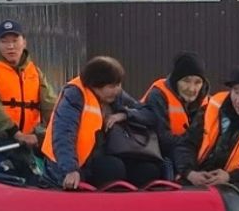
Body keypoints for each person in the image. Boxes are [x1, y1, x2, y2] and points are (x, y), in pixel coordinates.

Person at [42, 56, 162, 190]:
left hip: (102, 155)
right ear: (95, 85)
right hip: (68, 164)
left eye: (119, 85)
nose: (117, 90)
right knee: (113, 169)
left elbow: (149, 115)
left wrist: (125, 115)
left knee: (148, 170)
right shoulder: (75, 95)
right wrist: (70, 169)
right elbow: (63, 134)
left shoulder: (116, 96)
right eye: (112, 86)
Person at [0, 19, 57, 177]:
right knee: (23, 164)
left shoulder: (34, 71)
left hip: (30, 134)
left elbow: (50, 104)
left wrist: (54, 131)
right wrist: (18, 135)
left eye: (15, 40)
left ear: (24, 42)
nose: (10, 46)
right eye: (4, 41)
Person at [140, 52, 209, 160]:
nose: (192, 89)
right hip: (157, 156)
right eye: (186, 81)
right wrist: (192, 142)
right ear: (175, 81)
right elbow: (161, 139)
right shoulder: (158, 96)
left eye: (197, 82)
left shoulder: (208, 102)